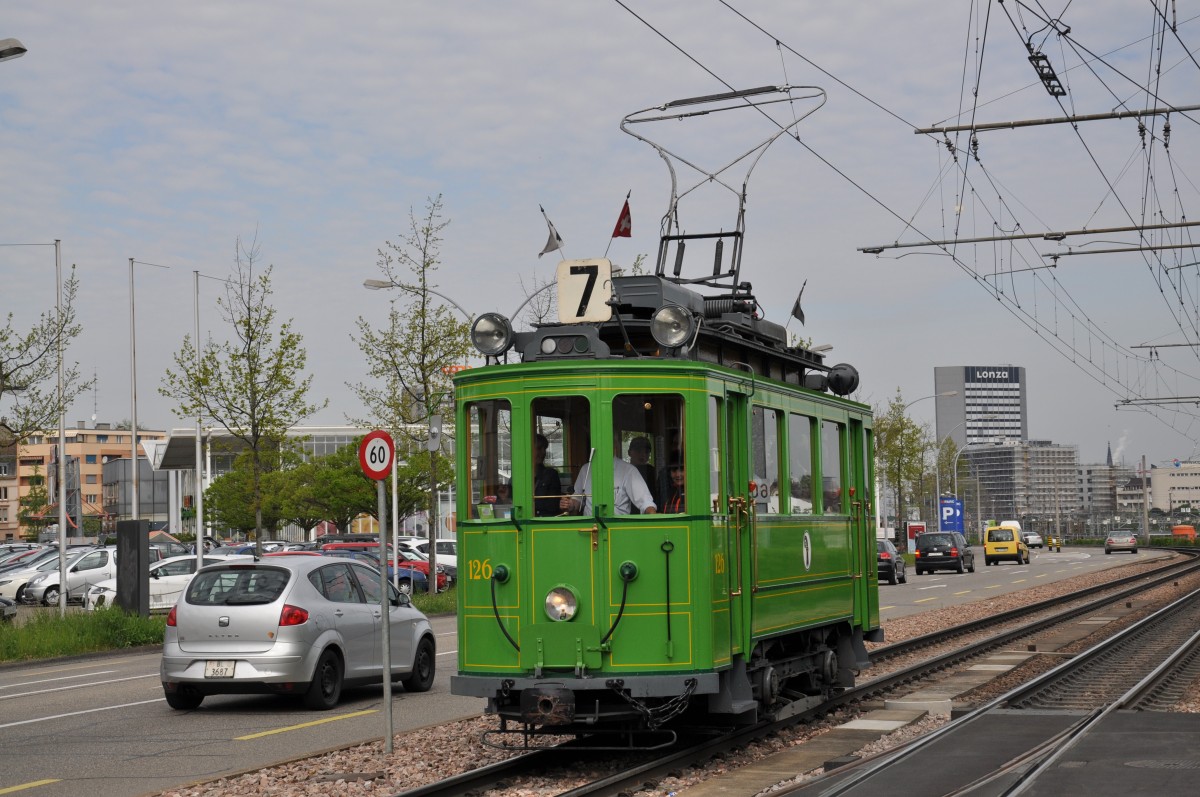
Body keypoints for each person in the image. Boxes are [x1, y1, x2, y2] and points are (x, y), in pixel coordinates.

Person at [561, 442, 658, 515]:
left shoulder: (628, 470)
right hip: (590, 529)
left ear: (614, 444)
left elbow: (646, 502)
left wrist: (655, 522)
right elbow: (578, 499)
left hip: (618, 530)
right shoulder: (585, 469)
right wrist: (569, 504)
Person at [532, 433, 562, 517]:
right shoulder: (517, 477)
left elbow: (553, 505)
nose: (543, 452)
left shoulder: (551, 474)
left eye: (545, 449)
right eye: (539, 448)